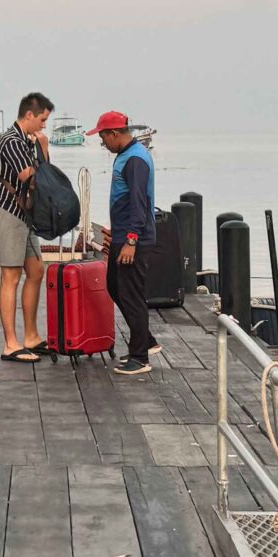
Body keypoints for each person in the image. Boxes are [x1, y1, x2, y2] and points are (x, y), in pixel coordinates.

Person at [0, 92, 52, 361]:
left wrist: (41, 149)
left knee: (36, 271)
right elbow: (31, 177)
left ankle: (31, 336)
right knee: (11, 276)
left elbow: (42, 178)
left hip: (25, 215)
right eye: (42, 119)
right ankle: (11, 344)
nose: (44, 125)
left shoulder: (26, 141)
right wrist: (44, 149)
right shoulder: (11, 142)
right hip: (8, 212)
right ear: (29, 115)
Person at [94, 111, 156, 372]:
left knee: (130, 294)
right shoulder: (126, 155)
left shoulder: (136, 160)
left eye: (103, 138)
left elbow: (139, 203)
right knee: (116, 287)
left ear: (114, 134)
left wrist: (131, 240)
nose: (103, 144)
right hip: (121, 235)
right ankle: (146, 340)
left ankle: (140, 356)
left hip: (134, 239)